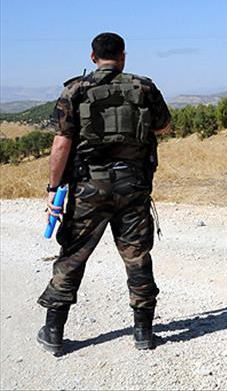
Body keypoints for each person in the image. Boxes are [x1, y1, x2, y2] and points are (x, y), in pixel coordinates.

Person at [37, 32, 172, 355]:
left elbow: (62, 143)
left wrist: (54, 188)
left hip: (88, 187)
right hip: (133, 185)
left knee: (73, 255)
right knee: (136, 255)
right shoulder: (144, 87)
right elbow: (163, 126)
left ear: (92, 57)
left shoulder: (75, 90)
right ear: (123, 56)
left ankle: (53, 332)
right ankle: (143, 332)